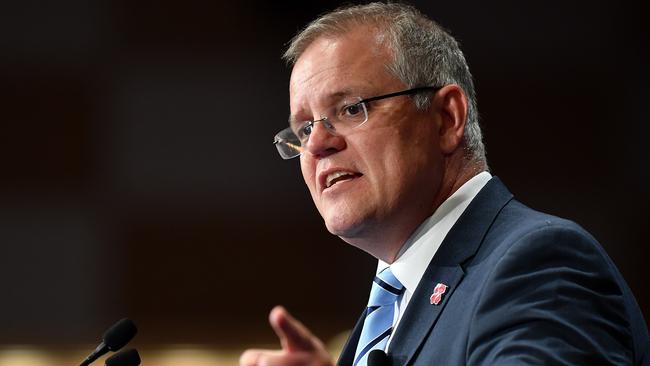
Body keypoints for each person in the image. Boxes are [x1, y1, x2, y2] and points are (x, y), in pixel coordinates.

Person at [240, 2, 650, 365]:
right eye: (304, 128)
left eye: (351, 108)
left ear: (446, 118)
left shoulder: (540, 264)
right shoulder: (386, 311)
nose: (317, 145)